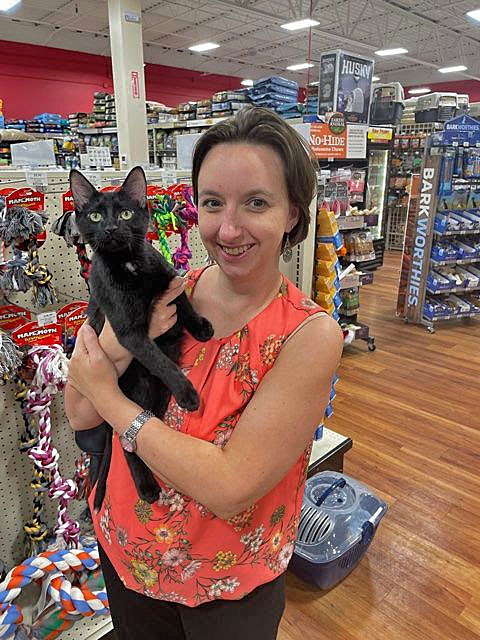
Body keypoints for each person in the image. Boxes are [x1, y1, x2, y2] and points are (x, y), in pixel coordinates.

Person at [65, 106, 343, 640]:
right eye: (213, 202)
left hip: (225, 589)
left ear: (292, 213)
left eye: (256, 203)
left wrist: (112, 397)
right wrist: (106, 372)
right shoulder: (169, 290)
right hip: (127, 558)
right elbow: (78, 412)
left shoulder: (307, 336)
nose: (228, 227)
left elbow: (231, 485)